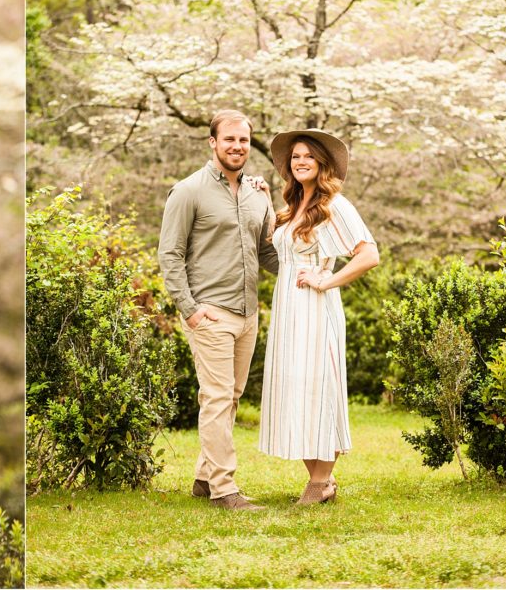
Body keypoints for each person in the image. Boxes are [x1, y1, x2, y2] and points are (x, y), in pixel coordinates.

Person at [157, 109, 279, 511]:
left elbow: (265, 251)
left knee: (230, 398)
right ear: (213, 142)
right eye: (229, 139)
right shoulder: (188, 191)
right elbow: (170, 255)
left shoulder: (257, 193)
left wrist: (304, 272)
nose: (237, 146)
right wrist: (190, 310)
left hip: (247, 313)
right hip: (210, 312)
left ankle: (204, 478)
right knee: (216, 396)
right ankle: (225, 490)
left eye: (243, 140)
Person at [258, 128, 379, 505]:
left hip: (316, 309)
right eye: (295, 157)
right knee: (296, 390)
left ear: (321, 163)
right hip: (287, 310)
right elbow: (280, 253)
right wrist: (263, 200)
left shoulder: (336, 204)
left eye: (309, 156)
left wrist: (327, 282)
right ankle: (322, 481)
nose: (301, 161)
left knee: (318, 387)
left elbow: (369, 255)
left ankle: (320, 482)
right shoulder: (293, 207)